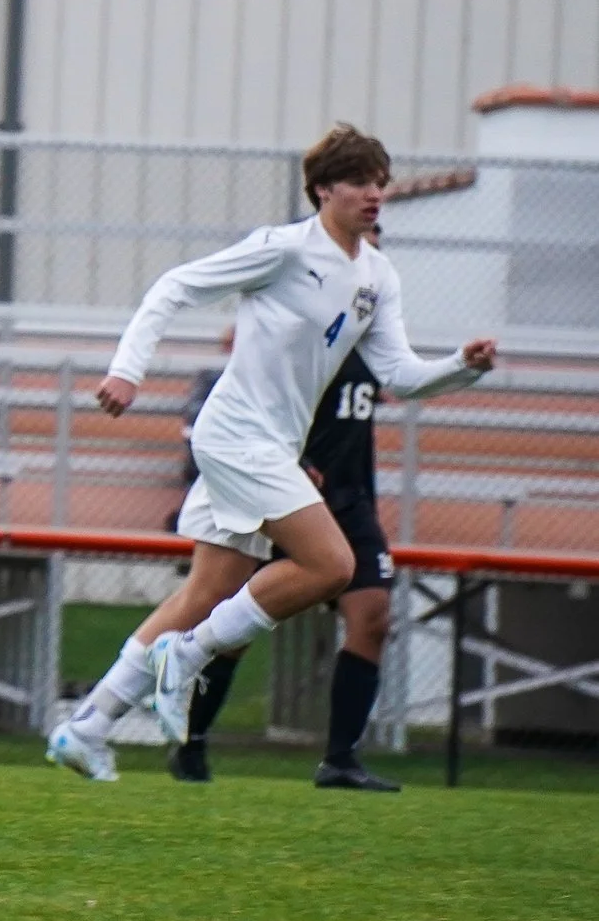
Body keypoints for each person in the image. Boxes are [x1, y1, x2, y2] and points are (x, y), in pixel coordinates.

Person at [48, 125, 496, 783]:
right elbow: (172, 287)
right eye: (359, 182)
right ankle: (190, 654)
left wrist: (462, 366)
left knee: (207, 590)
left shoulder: (377, 274)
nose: (374, 193)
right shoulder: (282, 249)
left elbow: (398, 375)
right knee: (332, 564)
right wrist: (127, 371)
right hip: (235, 434)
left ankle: (88, 725)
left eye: (380, 180)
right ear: (322, 189)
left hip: (268, 445)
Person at [176, 226, 404, 790]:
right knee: (235, 620)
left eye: (374, 241)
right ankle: (191, 743)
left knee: (373, 617)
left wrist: (455, 366)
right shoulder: (294, 319)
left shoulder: (374, 321)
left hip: (351, 498)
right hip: (281, 492)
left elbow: (401, 378)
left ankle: (341, 760)